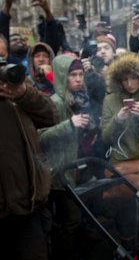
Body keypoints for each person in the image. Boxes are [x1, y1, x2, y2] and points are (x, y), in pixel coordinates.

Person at [0, 34, 58, 259]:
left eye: (3, 58)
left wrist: (24, 94)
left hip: (27, 204)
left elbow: (51, 115)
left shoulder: (18, 87)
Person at [101, 52, 139, 251]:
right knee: (126, 223)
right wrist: (118, 120)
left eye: (134, 78)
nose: (130, 83)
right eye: (125, 79)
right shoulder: (110, 100)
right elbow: (105, 137)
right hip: (122, 170)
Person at [38, 55, 95, 259]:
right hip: (60, 175)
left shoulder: (80, 100)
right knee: (71, 220)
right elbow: (40, 137)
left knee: (78, 221)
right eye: (73, 75)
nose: (79, 79)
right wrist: (69, 125)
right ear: (63, 77)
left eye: (81, 74)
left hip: (79, 170)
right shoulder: (53, 103)